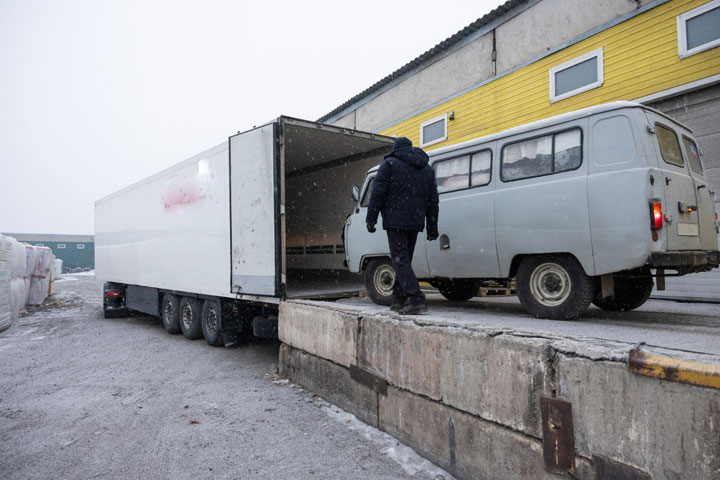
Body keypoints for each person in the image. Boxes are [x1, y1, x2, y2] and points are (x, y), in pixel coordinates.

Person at [366, 137, 439, 314]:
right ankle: (398, 299)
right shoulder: (426, 169)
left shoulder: (390, 164)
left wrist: (371, 218)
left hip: (395, 221)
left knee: (400, 261)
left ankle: (417, 299)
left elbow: (378, 194)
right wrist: (432, 225)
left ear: (396, 149)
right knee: (404, 261)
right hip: (415, 222)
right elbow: (433, 201)